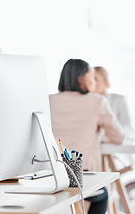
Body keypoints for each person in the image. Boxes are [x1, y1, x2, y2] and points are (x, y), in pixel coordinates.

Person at [49, 59, 124, 214]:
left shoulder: (48, 100)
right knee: (102, 194)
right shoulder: (97, 101)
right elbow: (118, 136)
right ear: (80, 78)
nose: (94, 83)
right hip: (83, 177)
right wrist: (98, 134)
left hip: (51, 176)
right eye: (92, 77)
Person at [94, 66, 135, 140]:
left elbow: (128, 128)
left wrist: (106, 134)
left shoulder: (119, 100)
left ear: (106, 82)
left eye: (95, 79)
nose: (92, 83)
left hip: (114, 147)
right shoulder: (86, 102)